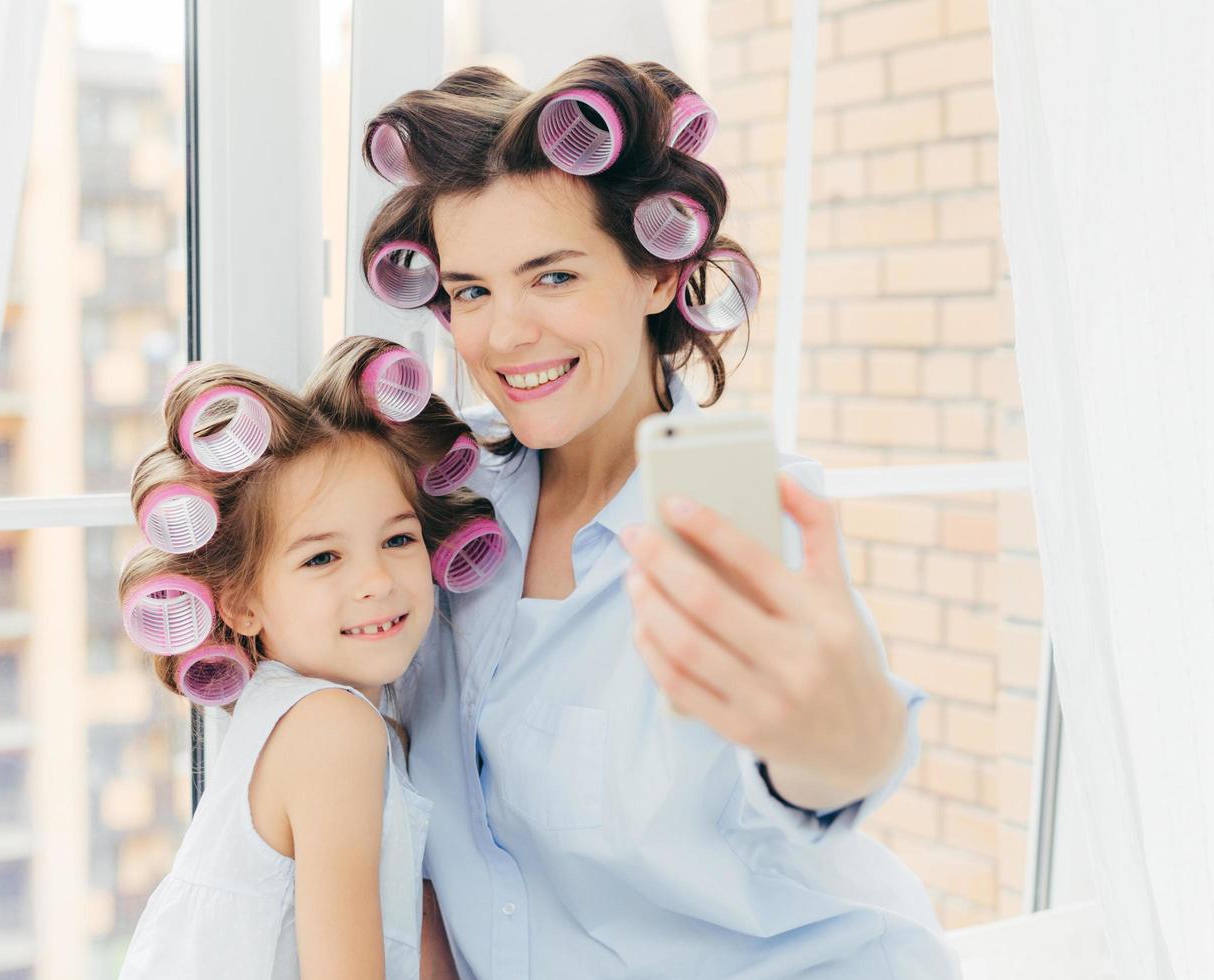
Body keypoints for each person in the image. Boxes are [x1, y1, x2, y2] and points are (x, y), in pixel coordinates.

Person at [362, 57, 963, 977]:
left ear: (652, 274)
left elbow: (831, 768)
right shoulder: (438, 506)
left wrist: (843, 736)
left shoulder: (735, 517)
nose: (504, 333)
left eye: (553, 277)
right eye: (472, 289)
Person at [116, 336, 491, 979]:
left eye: (398, 538)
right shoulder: (333, 730)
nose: (375, 580)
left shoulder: (300, 713)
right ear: (239, 604)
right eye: (322, 557)